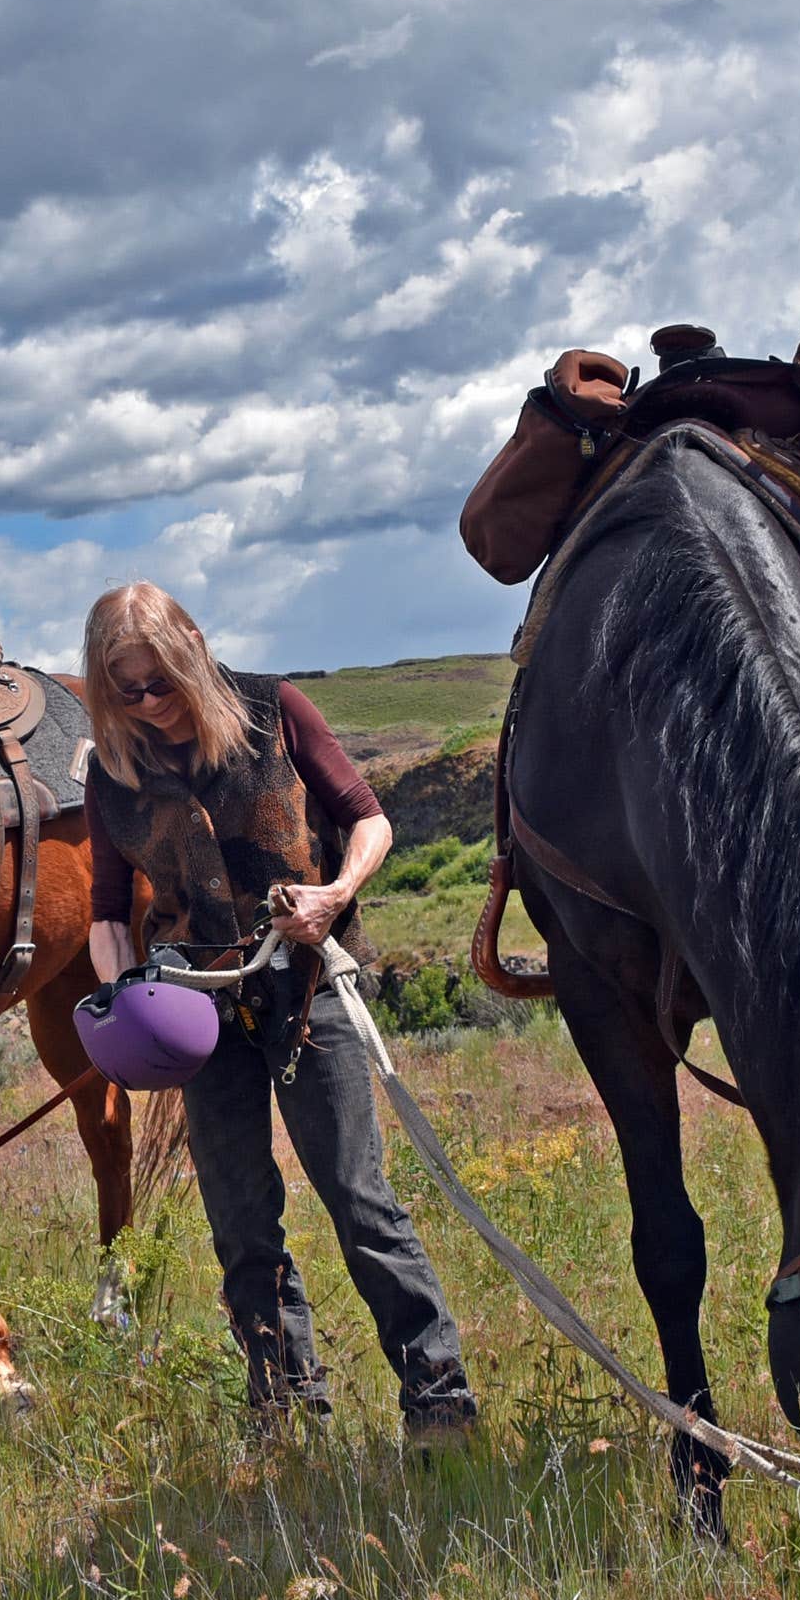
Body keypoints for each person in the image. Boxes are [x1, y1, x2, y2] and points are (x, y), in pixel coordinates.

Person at [79, 583, 478, 1439]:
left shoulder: (274, 709)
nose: (148, 704)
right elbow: (109, 914)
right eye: (125, 689)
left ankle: (439, 1400)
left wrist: (335, 895)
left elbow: (369, 820)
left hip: (303, 994)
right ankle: (287, 1411)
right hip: (196, 1014)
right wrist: (121, 1004)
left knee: (357, 1199)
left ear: (189, 651)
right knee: (240, 1222)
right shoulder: (113, 773)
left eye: (158, 682)